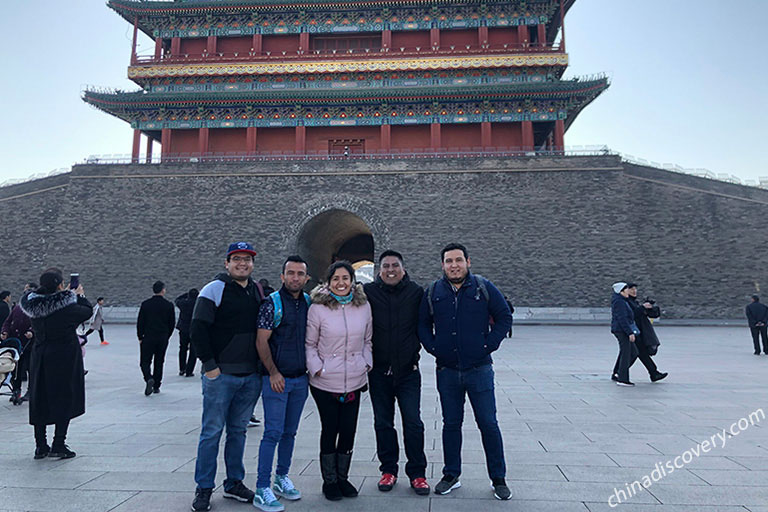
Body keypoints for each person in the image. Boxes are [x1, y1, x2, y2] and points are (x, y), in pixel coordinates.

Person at [418, 243, 513, 500]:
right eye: (449, 261)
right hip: (447, 370)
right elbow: (423, 324)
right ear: (442, 265)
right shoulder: (433, 291)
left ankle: (498, 478)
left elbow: (504, 316)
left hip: (479, 369)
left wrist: (488, 345)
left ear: (468, 262)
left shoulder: (483, 287)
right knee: (451, 424)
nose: (454, 265)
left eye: (458, 260)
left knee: (488, 424)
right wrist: (433, 347)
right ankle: (451, 474)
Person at [190, 242, 264, 512]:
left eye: (247, 259)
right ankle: (204, 488)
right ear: (227, 263)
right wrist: (210, 366)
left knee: (238, 432)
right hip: (220, 375)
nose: (242, 263)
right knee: (211, 433)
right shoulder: (214, 289)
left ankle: (234, 482)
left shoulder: (255, 291)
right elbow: (197, 329)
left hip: (249, 376)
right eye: (237, 259)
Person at [363, 250, 429, 495]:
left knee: (413, 423)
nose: (390, 270)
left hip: (408, 372)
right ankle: (388, 470)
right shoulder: (369, 293)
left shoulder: (416, 293)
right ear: (379, 270)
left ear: (403, 268)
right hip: (379, 373)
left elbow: (429, 322)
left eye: (395, 265)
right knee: (383, 423)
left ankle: (418, 473)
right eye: (386, 266)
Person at [305, 260, 372, 501]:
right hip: (325, 382)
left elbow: (367, 340)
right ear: (328, 282)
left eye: (345, 278)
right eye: (336, 279)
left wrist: (366, 362)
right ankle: (330, 481)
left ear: (352, 281)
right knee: (330, 428)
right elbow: (309, 345)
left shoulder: (364, 306)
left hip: (354, 378)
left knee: (348, 431)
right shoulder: (317, 308)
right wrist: (318, 369)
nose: (341, 283)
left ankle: (343, 478)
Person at [253, 256, 311, 512]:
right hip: (277, 380)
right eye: (291, 273)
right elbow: (261, 341)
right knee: (272, 433)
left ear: (306, 278)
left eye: (300, 273)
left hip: (301, 379)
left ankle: (281, 477)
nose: (295, 278)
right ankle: (261, 488)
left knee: (290, 432)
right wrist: (273, 373)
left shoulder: (309, 302)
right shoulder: (271, 304)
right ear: (282, 276)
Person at [20, 268, 92, 459]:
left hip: (40, 355)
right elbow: (86, 312)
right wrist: (78, 295)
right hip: (63, 356)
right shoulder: (66, 306)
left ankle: (40, 445)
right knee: (63, 397)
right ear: (60, 285)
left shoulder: (31, 305)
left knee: (39, 398)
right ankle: (58, 443)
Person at [615, 284, 668, 382]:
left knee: (634, 352)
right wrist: (642, 308)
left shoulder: (633, 301)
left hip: (637, 330)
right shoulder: (624, 302)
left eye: (635, 289)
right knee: (634, 352)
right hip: (632, 331)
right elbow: (630, 315)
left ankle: (653, 373)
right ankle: (620, 373)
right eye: (631, 289)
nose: (634, 291)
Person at [136, 281, 175, 396]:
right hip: (162, 337)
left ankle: (148, 378)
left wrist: (140, 335)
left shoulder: (145, 304)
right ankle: (157, 385)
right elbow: (171, 323)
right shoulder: (168, 305)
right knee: (159, 361)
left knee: (145, 361)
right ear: (163, 290)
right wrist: (167, 335)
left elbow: (140, 321)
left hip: (148, 336)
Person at [2, 284, 36, 405]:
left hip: (31, 345)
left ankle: (31, 391)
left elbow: (39, 324)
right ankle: (16, 390)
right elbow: (8, 321)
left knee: (31, 369)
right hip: (18, 343)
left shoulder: (36, 309)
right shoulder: (17, 308)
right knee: (16, 369)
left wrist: (32, 332)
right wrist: (4, 331)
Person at [611, 282, 640, 387]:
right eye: (627, 289)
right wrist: (629, 332)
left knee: (633, 352)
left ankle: (619, 372)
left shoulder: (623, 301)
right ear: (621, 291)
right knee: (626, 353)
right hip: (621, 331)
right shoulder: (619, 302)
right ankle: (623, 379)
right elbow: (622, 319)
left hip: (622, 330)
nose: (629, 291)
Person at [174, 288, 199, 377]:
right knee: (193, 351)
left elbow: (177, 300)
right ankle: (189, 371)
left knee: (183, 348)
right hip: (194, 329)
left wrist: (185, 294)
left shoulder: (183, 303)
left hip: (183, 328)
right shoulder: (198, 304)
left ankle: (182, 368)